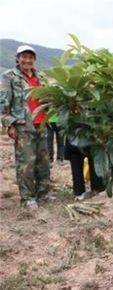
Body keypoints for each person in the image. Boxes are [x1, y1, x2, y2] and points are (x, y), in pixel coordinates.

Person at [0, 45, 52, 209]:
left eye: (30, 57)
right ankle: (27, 198)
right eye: (24, 57)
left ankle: (43, 194)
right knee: (26, 163)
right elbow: (3, 101)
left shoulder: (40, 77)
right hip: (23, 125)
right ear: (17, 58)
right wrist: (9, 123)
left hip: (42, 123)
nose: (27, 60)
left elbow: (47, 98)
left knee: (43, 162)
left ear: (34, 60)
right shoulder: (10, 76)